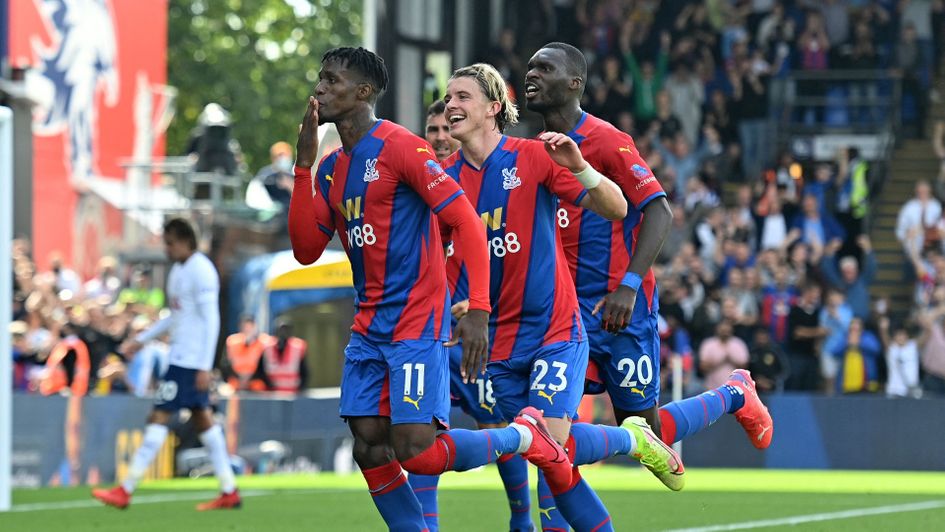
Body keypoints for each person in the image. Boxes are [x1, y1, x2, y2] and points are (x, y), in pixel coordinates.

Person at [287, 47, 571, 531]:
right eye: (320, 79)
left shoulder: (401, 147)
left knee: (416, 452)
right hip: (368, 328)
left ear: (363, 92)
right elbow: (306, 249)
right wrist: (302, 168)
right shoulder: (332, 168)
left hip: (416, 325)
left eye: (331, 81)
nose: (319, 89)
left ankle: (520, 438)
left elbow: (466, 222)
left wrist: (478, 307)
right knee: (368, 443)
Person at [524, 35, 774, 496]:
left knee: (646, 435)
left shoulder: (606, 141)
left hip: (621, 308)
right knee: (546, 427)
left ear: (575, 82)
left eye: (544, 68)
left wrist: (630, 285)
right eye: (531, 67)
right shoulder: (528, 149)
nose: (531, 74)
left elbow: (660, 210)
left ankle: (735, 393)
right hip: (564, 314)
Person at [441, 61, 671, 532]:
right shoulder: (442, 180)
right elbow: (440, 258)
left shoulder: (534, 156)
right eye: (448, 98)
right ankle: (629, 443)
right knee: (541, 447)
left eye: (462, 97)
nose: (451, 106)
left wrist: (582, 167)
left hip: (555, 330)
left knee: (546, 440)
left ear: (492, 108)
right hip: (497, 340)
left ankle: (649, 435)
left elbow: (619, 207)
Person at [407, 100, 532, 532]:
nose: (440, 136)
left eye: (446, 127)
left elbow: (507, 255)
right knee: (417, 431)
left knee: (493, 421)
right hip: (424, 334)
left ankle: (522, 518)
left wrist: (480, 304)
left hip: (475, 331)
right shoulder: (413, 182)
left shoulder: (481, 179)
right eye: (432, 129)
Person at [92, 218, 240, 510]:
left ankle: (126, 488)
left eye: (170, 243)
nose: (166, 249)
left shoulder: (201, 270)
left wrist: (204, 366)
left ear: (186, 241)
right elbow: (175, 317)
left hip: (188, 362)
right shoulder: (178, 271)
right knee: (204, 421)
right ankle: (229, 490)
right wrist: (142, 339)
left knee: (158, 417)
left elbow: (212, 320)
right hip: (182, 358)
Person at [224, 316, 271, 392]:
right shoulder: (233, 342)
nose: (247, 330)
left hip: (256, 382)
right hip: (236, 382)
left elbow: (266, 367)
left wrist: (250, 378)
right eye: (245, 327)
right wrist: (240, 378)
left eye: (250, 327)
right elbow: (227, 364)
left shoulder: (264, 342)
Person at [261, 320, 308, 393]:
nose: (282, 333)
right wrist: (268, 385)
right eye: (280, 330)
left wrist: (301, 388)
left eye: (285, 330)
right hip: (272, 394)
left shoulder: (297, 348)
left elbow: (304, 371)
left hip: (292, 393)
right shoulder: (267, 348)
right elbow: (261, 370)